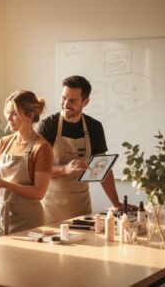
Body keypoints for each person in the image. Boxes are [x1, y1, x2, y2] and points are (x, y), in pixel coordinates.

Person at [37, 75, 137, 224]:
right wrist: (64, 169)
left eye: (72, 100)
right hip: (50, 205)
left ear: (86, 102)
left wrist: (116, 203)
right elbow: (35, 168)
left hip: (80, 205)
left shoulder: (94, 127)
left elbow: (103, 169)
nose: (66, 104)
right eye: (63, 98)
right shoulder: (47, 126)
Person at [0, 90, 53, 237]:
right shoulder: (4, 142)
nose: (8, 118)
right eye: (7, 112)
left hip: (29, 222)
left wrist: (5, 184)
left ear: (30, 114)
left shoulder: (41, 147)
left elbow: (39, 192)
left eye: (14, 113)